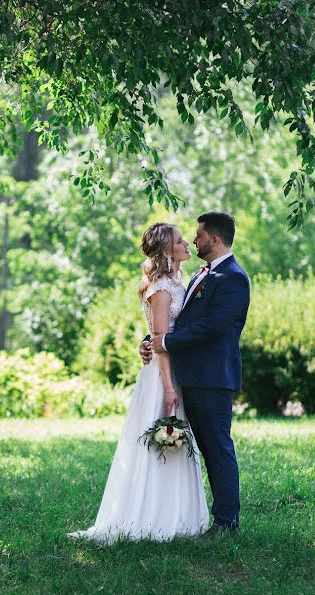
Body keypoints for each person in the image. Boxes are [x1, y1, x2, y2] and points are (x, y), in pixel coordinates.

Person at [69, 223, 209, 543]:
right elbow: (160, 339)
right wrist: (169, 387)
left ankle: (178, 516)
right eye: (178, 240)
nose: (186, 242)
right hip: (162, 376)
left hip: (174, 370)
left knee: (174, 443)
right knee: (160, 442)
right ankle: (152, 518)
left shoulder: (176, 281)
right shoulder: (160, 288)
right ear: (165, 251)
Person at [140, 212, 250, 534]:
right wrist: (152, 340)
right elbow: (178, 321)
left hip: (212, 378)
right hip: (189, 376)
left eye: (199, 235)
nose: (193, 239)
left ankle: (227, 522)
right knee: (195, 450)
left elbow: (214, 327)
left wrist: (166, 342)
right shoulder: (199, 275)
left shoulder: (233, 277)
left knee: (217, 449)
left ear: (214, 239)